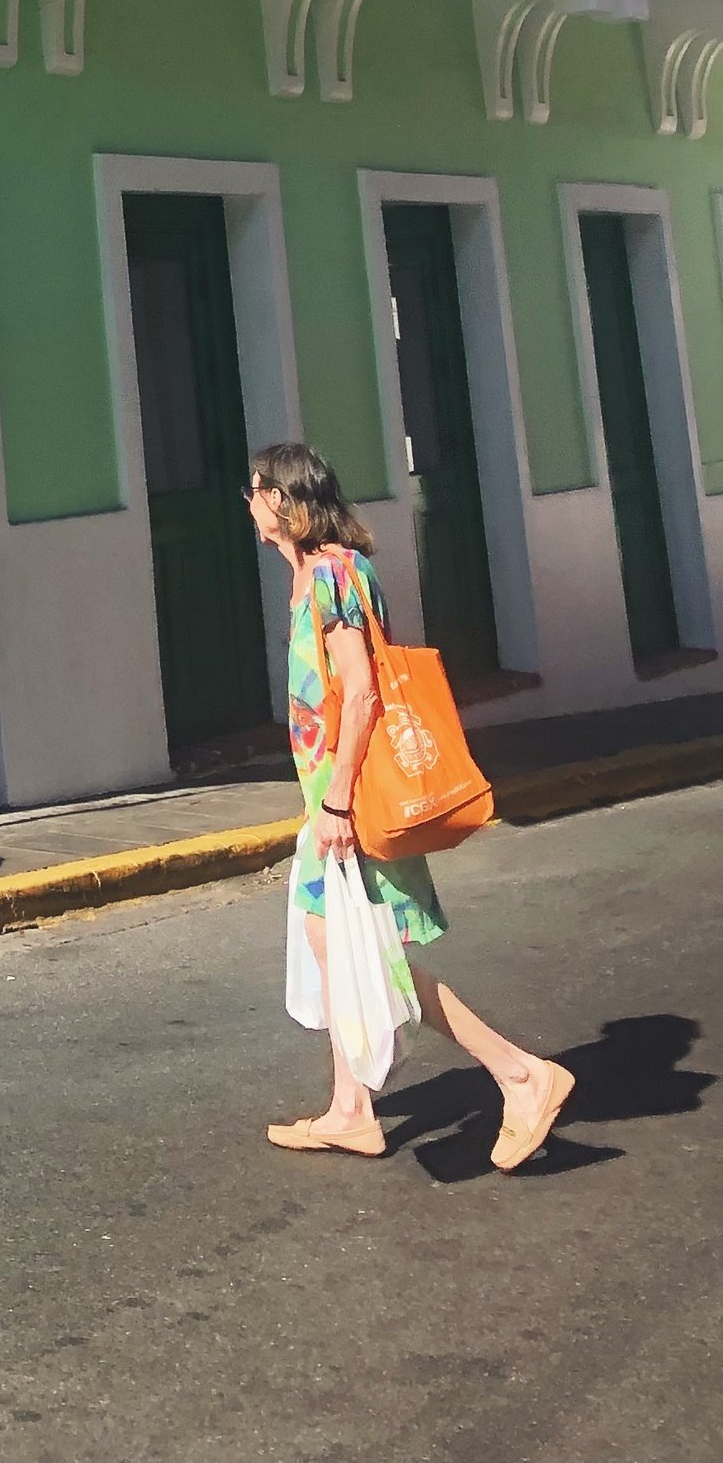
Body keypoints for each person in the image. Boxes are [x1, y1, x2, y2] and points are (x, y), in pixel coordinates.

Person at [248, 439, 573, 1166]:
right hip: (330, 801)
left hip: (351, 801)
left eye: (256, 489)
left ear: (283, 499)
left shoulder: (333, 575)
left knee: (371, 960)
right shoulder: (317, 573)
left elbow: (361, 692)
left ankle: (522, 1075)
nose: (249, 503)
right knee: (336, 946)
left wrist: (334, 804)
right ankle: (350, 1108)